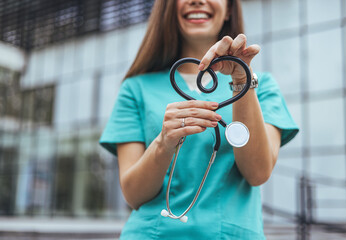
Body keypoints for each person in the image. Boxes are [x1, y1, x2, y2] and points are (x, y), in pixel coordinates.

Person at [100, 0, 299, 239]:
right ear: (169, 8)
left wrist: (242, 82)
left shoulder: (260, 86)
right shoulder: (135, 89)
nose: (197, 0)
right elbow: (133, 195)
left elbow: (257, 172)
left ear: (229, 9)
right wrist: (163, 143)